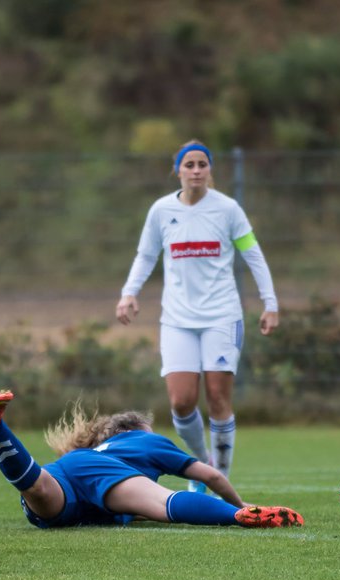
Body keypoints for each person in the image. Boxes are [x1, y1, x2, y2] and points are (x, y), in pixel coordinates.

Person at [115, 139, 280, 493]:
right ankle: (203, 464)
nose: (195, 170)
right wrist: (129, 294)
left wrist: (270, 304)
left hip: (222, 316)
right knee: (181, 400)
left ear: (210, 170)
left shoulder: (228, 209)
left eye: (201, 164)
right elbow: (145, 256)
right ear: (177, 170)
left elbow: (254, 256)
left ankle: (219, 477)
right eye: (188, 164)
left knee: (218, 398)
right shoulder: (161, 210)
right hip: (177, 319)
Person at [0, 390, 304, 529]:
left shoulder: (92, 451)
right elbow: (211, 476)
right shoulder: (146, 441)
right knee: (164, 503)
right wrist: (238, 504)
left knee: (39, 490)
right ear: (135, 428)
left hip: (70, 473)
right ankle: (239, 518)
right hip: (100, 474)